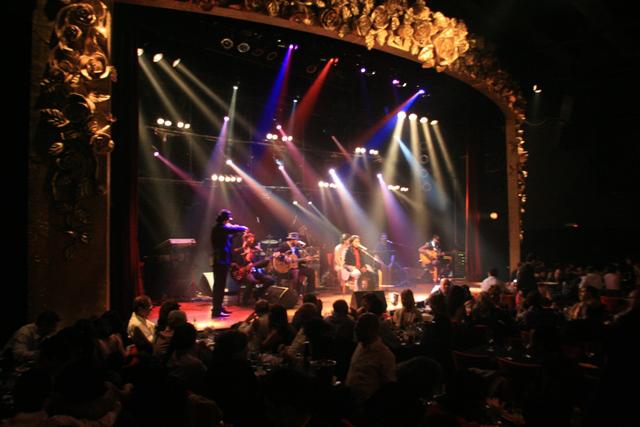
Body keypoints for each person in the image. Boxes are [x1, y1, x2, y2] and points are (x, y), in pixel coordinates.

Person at [210, 209, 248, 318]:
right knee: (219, 286)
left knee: (221, 286)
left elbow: (231, 234)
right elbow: (237, 228)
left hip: (223, 260)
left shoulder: (222, 229)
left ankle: (219, 308)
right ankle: (216, 311)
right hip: (220, 261)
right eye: (228, 220)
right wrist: (242, 228)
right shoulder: (220, 228)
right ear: (225, 219)